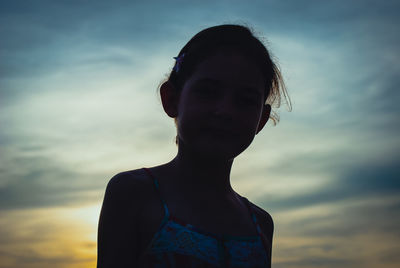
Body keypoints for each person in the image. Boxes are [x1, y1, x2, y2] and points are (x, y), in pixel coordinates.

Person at [97, 24, 291, 267]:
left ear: (261, 120)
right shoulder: (134, 194)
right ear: (172, 99)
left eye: (245, 101)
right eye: (208, 92)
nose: (224, 111)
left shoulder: (260, 225)